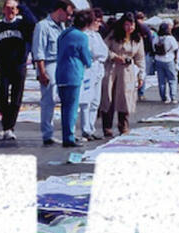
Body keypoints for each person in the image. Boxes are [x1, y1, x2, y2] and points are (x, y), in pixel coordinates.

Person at [0, 0, 33, 141]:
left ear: (17, 10)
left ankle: (9, 127)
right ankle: (7, 123)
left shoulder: (22, 25)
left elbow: (33, 22)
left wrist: (22, 6)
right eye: (8, 8)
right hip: (3, 66)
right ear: (3, 10)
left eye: (13, 8)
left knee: (16, 98)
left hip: (19, 66)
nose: (11, 11)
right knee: (1, 95)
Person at [33, 0, 74, 146]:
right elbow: (38, 51)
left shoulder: (62, 27)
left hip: (62, 64)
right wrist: (42, 72)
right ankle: (47, 134)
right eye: (68, 14)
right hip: (49, 64)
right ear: (60, 11)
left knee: (65, 99)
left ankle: (67, 133)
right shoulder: (43, 26)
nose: (69, 18)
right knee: (49, 100)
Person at [99, 14, 144, 137]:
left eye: (132, 25)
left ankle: (123, 125)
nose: (130, 28)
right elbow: (103, 48)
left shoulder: (137, 38)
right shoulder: (113, 35)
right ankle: (107, 126)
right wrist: (114, 56)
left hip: (127, 71)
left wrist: (141, 75)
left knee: (125, 97)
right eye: (127, 25)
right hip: (112, 68)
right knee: (108, 96)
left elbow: (140, 58)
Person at [55, 9, 92, 148]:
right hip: (74, 73)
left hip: (61, 72)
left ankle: (67, 134)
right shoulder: (82, 36)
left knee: (65, 107)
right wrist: (89, 62)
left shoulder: (64, 33)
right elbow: (86, 56)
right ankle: (69, 137)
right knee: (72, 107)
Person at [78, 9, 107, 140]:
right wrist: (99, 54)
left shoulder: (97, 35)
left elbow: (104, 52)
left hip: (98, 68)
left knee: (96, 101)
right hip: (88, 69)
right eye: (97, 21)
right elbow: (93, 52)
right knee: (86, 101)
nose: (99, 24)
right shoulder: (85, 35)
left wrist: (99, 55)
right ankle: (85, 129)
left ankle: (91, 127)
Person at [153, 22, 179, 103]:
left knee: (161, 80)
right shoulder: (170, 38)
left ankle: (163, 97)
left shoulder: (156, 38)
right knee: (172, 79)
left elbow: (153, 48)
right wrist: (176, 59)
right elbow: (175, 48)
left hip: (158, 60)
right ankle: (173, 97)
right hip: (168, 59)